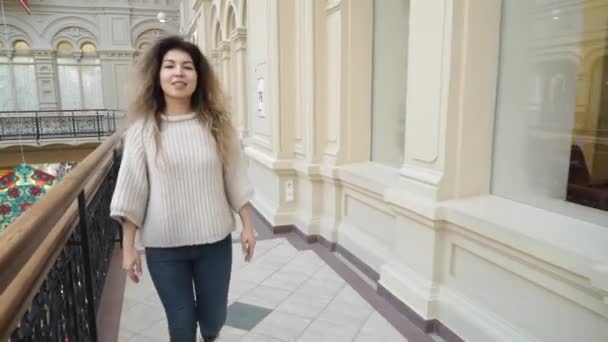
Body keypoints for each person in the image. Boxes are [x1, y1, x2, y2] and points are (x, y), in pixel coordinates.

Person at [109, 35, 256, 342]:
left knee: (215, 318)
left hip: (214, 244)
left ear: (197, 76)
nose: (179, 73)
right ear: (157, 75)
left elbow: (236, 176)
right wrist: (128, 249)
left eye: (187, 67)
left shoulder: (217, 125)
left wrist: (248, 226)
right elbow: (131, 191)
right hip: (164, 250)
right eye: (170, 66)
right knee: (181, 323)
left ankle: (211, 335)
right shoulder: (142, 131)